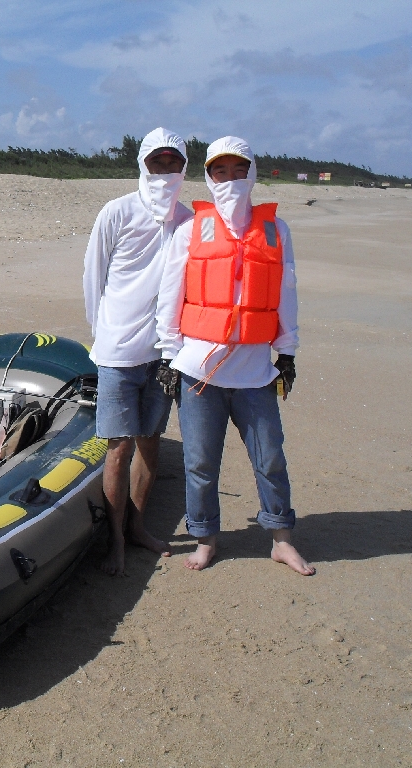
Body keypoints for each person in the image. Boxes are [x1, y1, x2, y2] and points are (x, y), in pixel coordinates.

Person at [155, 136, 315, 575]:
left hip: (256, 373)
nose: (230, 179)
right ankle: (205, 538)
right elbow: (171, 295)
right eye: (220, 171)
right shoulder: (191, 230)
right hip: (198, 373)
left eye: (238, 170)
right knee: (200, 463)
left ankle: (281, 539)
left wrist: (286, 354)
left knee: (270, 458)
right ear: (208, 177)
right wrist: (169, 356)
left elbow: (286, 294)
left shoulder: (276, 230)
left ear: (252, 173)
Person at [84, 127, 193, 576]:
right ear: (143, 163)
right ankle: (115, 541)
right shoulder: (117, 211)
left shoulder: (188, 220)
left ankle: (137, 528)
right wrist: (105, 335)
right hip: (117, 354)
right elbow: (94, 277)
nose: (165, 171)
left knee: (150, 443)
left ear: (184, 167)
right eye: (157, 161)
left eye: (173, 162)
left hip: (163, 355)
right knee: (118, 448)